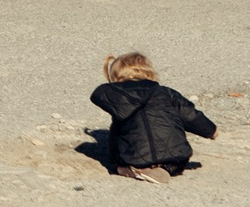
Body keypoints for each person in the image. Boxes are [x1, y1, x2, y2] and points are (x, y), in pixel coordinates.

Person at [90, 52, 218, 183]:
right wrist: (211, 130)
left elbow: (98, 93)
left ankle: (136, 169)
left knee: (118, 129)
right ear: (149, 72)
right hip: (176, 159)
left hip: (136, 159)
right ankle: (161, 169)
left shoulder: (120, 100)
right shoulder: (166, 92)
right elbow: (190, 116)